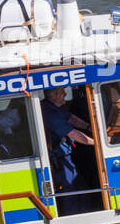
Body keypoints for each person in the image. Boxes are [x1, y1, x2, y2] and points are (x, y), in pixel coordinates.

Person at [40, 87, 96, 216]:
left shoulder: (54, 107)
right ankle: (74, 219)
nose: (66, 93)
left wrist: (89, 126)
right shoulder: (50, 114)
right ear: (53, 95)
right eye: (62, 91)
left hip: (65, 157)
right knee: (71, 191)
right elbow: (73, 133)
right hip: (58, 161)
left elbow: (71, 119)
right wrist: (98, 143)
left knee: (82, 188)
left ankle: (85, 215)